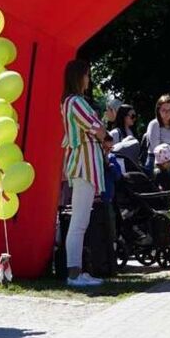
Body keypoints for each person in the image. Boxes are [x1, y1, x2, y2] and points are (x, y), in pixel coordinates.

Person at [60, 59, 112, 288]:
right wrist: (105, 129)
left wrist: (103, 129)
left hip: (86, 164)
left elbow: (97, 129)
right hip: (83, 164)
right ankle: (74, 274)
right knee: (79, 221)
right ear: (78, 77)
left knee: (81, 221)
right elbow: (96, 129)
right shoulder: (75, 101)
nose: (89, 80)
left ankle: (78, 271)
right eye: (87, 75)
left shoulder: (72, 101)